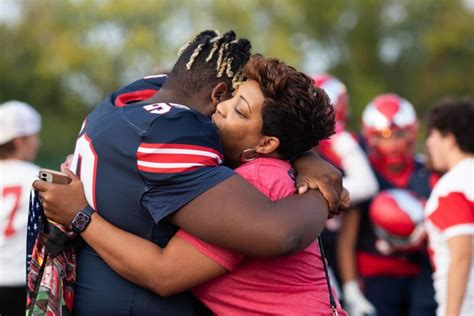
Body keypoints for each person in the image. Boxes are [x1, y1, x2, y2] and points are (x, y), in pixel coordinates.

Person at [34, 30, 344, 315]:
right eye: (231, 96)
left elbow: (164, 274)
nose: (220, 107)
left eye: (239, 110)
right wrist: (310, 163)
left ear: (266, 143)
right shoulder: (237, 164)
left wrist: (81, 215)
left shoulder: (259, 179)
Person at [337, 93, 437, 316]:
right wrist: (351, 288)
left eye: (399, 134)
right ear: (370, 137)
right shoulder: (364, 176)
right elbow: (347, 240)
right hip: (375, 279)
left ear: (412, 133)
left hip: (421, 275)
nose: (391, 143)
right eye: (382, 136)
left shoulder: (427, 172)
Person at [313, 74, 378, 292]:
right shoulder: (295, 147)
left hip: (339, 247)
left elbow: (365, 189)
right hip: (307, 244)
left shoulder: (345, 146)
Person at [424, 98, 474, 316]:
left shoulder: (452, 187)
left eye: (433, 135)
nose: (429, 143)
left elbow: (462, 255)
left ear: (449, 138)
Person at [0, 101, 41, 316]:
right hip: (23, 280)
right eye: (34, 137)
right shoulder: (40, 178)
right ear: (19, 141)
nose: (37, 143)